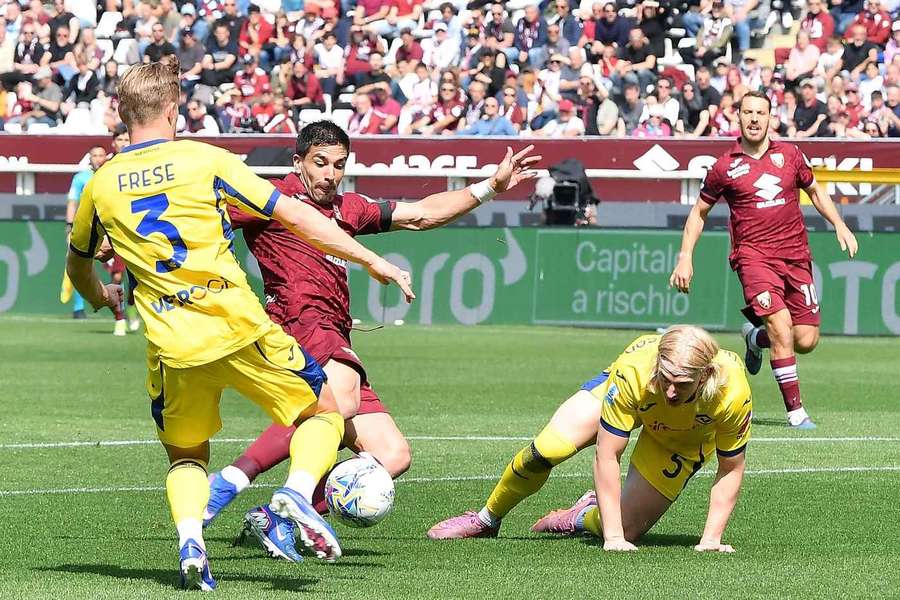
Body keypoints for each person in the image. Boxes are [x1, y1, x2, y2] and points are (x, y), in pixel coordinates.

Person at [65, 58, 414, 591]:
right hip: (240, 327)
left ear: (120, 110)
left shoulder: (101, 183)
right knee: (323, 410)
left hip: (172, 346)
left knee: (185, 455)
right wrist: (371, 259)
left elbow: (78, 264)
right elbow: (296, 216)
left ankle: (190, 541)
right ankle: (296, 495)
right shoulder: (206, 160)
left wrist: (102, 296)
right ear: (174, 111)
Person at [202, 122, 539, 557]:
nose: (330, 174)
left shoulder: (349, 208)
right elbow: (198, 218)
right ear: (298, 162)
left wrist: (490, 187)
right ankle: (231, 482)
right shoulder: (273, 198)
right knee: (337, 403)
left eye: (339, 165)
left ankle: (277, 517)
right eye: (320, 163)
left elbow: (421, 215)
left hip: (335, 331)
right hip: (299, 322)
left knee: (392, 455)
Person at [428, 326, 752, 554]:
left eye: (680, 384)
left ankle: (581, 515)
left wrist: (711, 538)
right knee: (547, 449)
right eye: (665, 379)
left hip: (684, 437)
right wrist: (612, 538)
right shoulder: (636, 372)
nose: (670, 391)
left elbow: (730, 468)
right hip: (630, 397)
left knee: (630, 530)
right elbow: (607, 453)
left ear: (705, 376)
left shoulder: (732, 394)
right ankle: (486, 519)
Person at [669, 91, 859, 429]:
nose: (754, 119)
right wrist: (685, 258)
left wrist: (839, 223)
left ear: (771, 118)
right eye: (748, 113)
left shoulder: (791, 155)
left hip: (796, 257)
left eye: (761, 113)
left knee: (806, 340)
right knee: (780, 325)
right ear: (738, 117)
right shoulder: (724, 167)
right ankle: (796, 412)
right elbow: (699, 213)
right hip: (753, 259)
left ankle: (754, 338)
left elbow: (815, 190)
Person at [65, 146, 118, 325]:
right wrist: (69, 226)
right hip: (86, 230)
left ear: (106, 157)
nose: (97, 158)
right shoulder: (81, 178)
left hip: (110, 230)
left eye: (101, 155)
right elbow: (72, 201)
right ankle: (79, 308)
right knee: (82, 265)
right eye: (94, 155)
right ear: (89, 158)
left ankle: (120, 311)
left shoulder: (111, 176)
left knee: (117, 272)